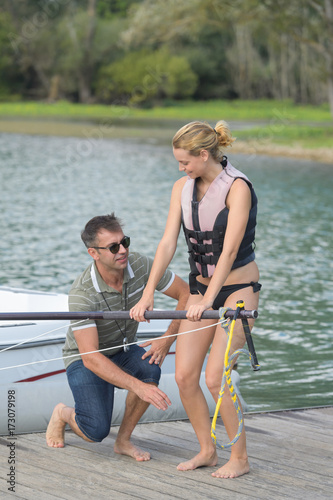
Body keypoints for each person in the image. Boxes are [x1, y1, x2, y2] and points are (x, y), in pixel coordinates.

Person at [130, 120, 261, 478]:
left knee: (216, 379)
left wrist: (210, 299)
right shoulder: (181, 188)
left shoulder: (237, 188)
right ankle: (207, 450)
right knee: (186, 376)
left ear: (204, 155)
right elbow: (168, 243)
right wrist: (146, 295)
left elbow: (231, 250)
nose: (181, 168)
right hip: (202, 292)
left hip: (237, 294)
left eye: (185, 161)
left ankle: (241, 458)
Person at [46, 213, 189, 461]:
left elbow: (185, 293)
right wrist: (138, 387)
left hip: (122, 350)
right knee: (95, 431)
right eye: (114, 247)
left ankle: (123, 441)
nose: (123, 250)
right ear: (94, 253)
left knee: (150, 368)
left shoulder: (140, 265)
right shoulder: (82, 293)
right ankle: (63, 413)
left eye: (125, 242)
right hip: (86, 358)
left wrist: (167, 338)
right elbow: (90, 357)